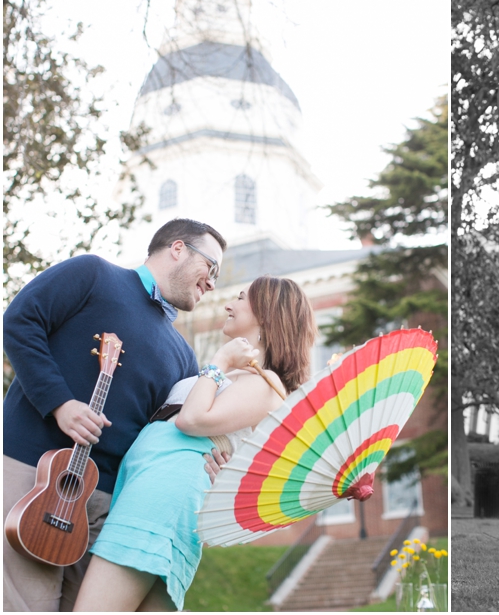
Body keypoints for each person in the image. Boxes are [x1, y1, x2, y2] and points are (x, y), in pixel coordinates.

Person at [3, 218, 227, 612]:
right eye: (212, 268)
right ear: (178, 249)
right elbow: (20, 322)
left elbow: (177, 430)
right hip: (31, 469)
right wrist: (60, 403)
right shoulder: (93, 274)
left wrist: (217, 455)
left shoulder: (184, 356)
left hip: (109, 503)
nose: (213, 283)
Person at [72, 275, 317, 612]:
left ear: (267, 313)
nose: (229, 304)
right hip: (151, 493)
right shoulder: (241, 377)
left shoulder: (265, 382)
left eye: (242, 298)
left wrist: (219, 361)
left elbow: (192, 420)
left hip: (161, 499)